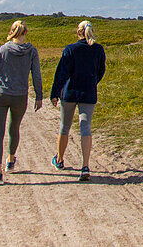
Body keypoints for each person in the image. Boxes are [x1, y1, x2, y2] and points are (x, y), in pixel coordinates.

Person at [0, 20, 43, 186]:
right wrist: (39, 96)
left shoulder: (1, 49)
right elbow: (36, 76)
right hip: (19, 96)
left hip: (0, 94)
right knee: (14, 127)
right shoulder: (32, 51)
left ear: (11, 32)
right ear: (25, 33)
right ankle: (10, 160)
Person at [50, 19, 106, 182]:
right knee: (85, 128)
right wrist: (92, 82)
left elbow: (62, 73)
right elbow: (101, 70)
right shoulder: (98, 49)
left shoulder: (70, 49)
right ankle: (85, 166)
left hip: (69, 92)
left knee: (65, 126)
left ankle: (59, 160)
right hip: (88, 92)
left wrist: (55, 92)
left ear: (78, 32)